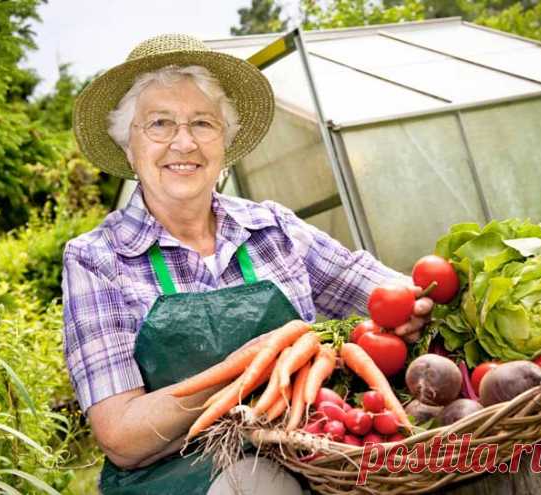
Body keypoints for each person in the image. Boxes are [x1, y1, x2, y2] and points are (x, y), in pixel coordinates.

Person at [63, 33, 432, 495]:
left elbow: (382, 290)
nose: (184, 142)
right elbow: (122, 435)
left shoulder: (273, 227)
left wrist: (418, 305)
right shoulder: (98, 259)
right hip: (181, 477)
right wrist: (247, 369)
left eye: (202, 123)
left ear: (224, 142)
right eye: (159, 124)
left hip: (313, 449)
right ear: (127, 146)